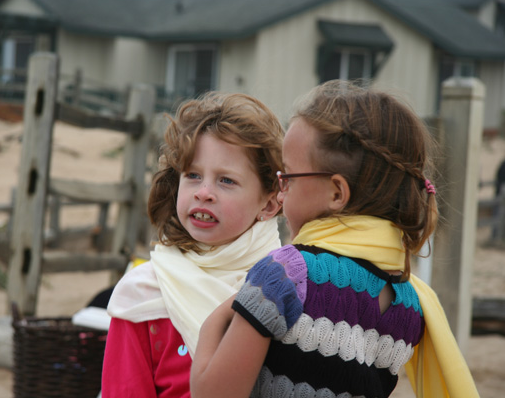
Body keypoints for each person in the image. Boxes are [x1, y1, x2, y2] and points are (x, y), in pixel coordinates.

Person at [191, 80, 479, 398]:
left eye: (287, 176)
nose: (281, 192)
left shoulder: (287, 273)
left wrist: (213, 323)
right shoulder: (410, 303)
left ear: (336, 193)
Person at [101, 92, 285, 397]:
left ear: (268, 203)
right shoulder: (144, 293)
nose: (204, 192)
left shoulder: (290, 285)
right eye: (193, 175)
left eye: (226, 180)